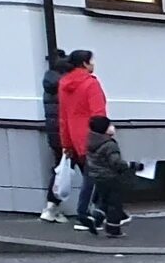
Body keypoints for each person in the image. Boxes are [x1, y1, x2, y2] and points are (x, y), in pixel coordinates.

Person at [56, 50, 107, 224]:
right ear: (85, 63)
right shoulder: (91, 84)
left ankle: (109, 213)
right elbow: (98, 114)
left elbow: (62, 117)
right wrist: (104, 134)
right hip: (93, 136)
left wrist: (66, 144)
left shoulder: (64, 84)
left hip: (75, 138)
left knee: (94, 175)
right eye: (91, 61)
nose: (94, 64)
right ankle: (85, 215)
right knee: (97, 177)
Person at [80, 115, 133, 237]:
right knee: (114, 204)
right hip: (110, 177)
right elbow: (115, 162)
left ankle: (95, 220)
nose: (112, 127)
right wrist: (131, 165)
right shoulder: (109, 145)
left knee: (103, 202)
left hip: (97, 177)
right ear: (104, 128)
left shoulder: (91, 141)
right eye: (110, 125)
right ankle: (113, 230)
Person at [38, 48, 70, 222]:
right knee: (90, 170)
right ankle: (95, 212)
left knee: (60, 169)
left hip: (54, 133)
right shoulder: (65, 84)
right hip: (67, 133)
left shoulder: (49, 83)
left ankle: (51, 207)